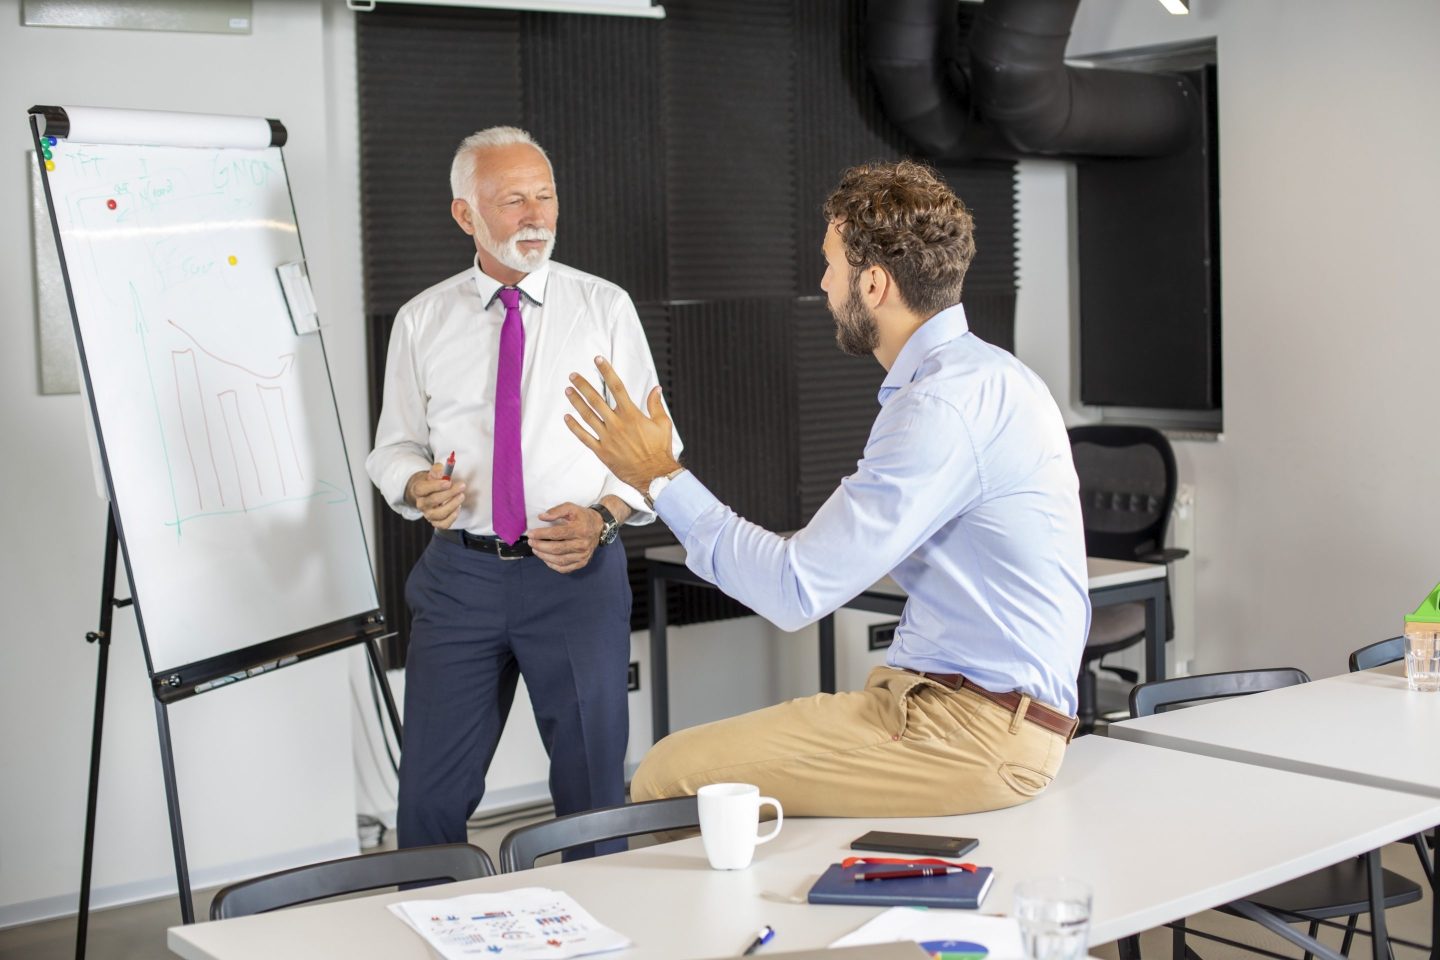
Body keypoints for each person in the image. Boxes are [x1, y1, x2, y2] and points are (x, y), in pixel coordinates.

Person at [562, 160, 1089, 818]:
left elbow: (794, 590)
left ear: (873, 283)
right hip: (953, 706)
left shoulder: (940, 406)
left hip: (975, 733)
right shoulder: (987, 375)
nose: (822, 283)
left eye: (830, 264)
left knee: (667, 774)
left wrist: (657, 474)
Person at [366, 126, 679, 854]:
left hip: (575, 575)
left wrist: (604, 517)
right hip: (459, 581)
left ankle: (599, 913)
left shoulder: (603, 307)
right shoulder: (421, 320)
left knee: (593, 796)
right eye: (513, 201)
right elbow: (394, 447)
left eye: (546, 196)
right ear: (465, 214)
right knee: (429, 799)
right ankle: (429, 912)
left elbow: (657, 451)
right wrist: (414, 481)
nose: (536, 216)